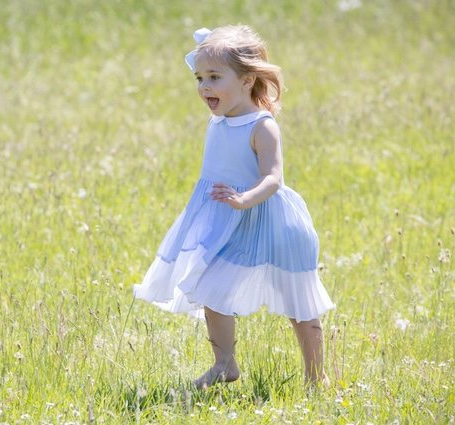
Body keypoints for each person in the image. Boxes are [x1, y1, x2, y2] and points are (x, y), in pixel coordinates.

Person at [133, 25, 335, 389]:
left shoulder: (262, 126)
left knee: (298, 304)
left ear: (246, 81)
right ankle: (225, 363)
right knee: (210, 286)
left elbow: (272, 178)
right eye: (199, 78)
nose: (204, 87)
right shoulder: (218, 122)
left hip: (272, 222)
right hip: (230, 223)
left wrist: (245, 199)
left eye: (214, 77)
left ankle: (316, 378)